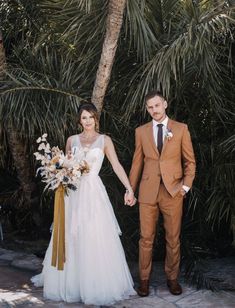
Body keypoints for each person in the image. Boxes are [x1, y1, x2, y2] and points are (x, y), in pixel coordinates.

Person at [31, 102, 136, 305]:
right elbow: (65, 165)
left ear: (96, 118)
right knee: (71, 233)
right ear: (79, 120)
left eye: (90, 117)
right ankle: (71, 283)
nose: (87, 121)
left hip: (94, 193)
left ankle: (94, 284)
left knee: (94, 234)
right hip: (74, 193)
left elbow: (116, 165)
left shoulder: (105, 140)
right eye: (84, 117)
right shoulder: (72, 140)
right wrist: (59, 177)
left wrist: (129, 188)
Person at [127, 90, 196, 296]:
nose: (154, 110)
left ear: (164, 104)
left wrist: (185, 187)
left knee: (173, 238)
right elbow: (136, 163)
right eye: (150, 107)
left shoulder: (181, 129)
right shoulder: (141, 131)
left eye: (157, 105)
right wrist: (131, 190)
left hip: (173, 192)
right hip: (147, 193)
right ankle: (144, 280)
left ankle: (172, 279)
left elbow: (190, 162)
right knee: (145, 238)